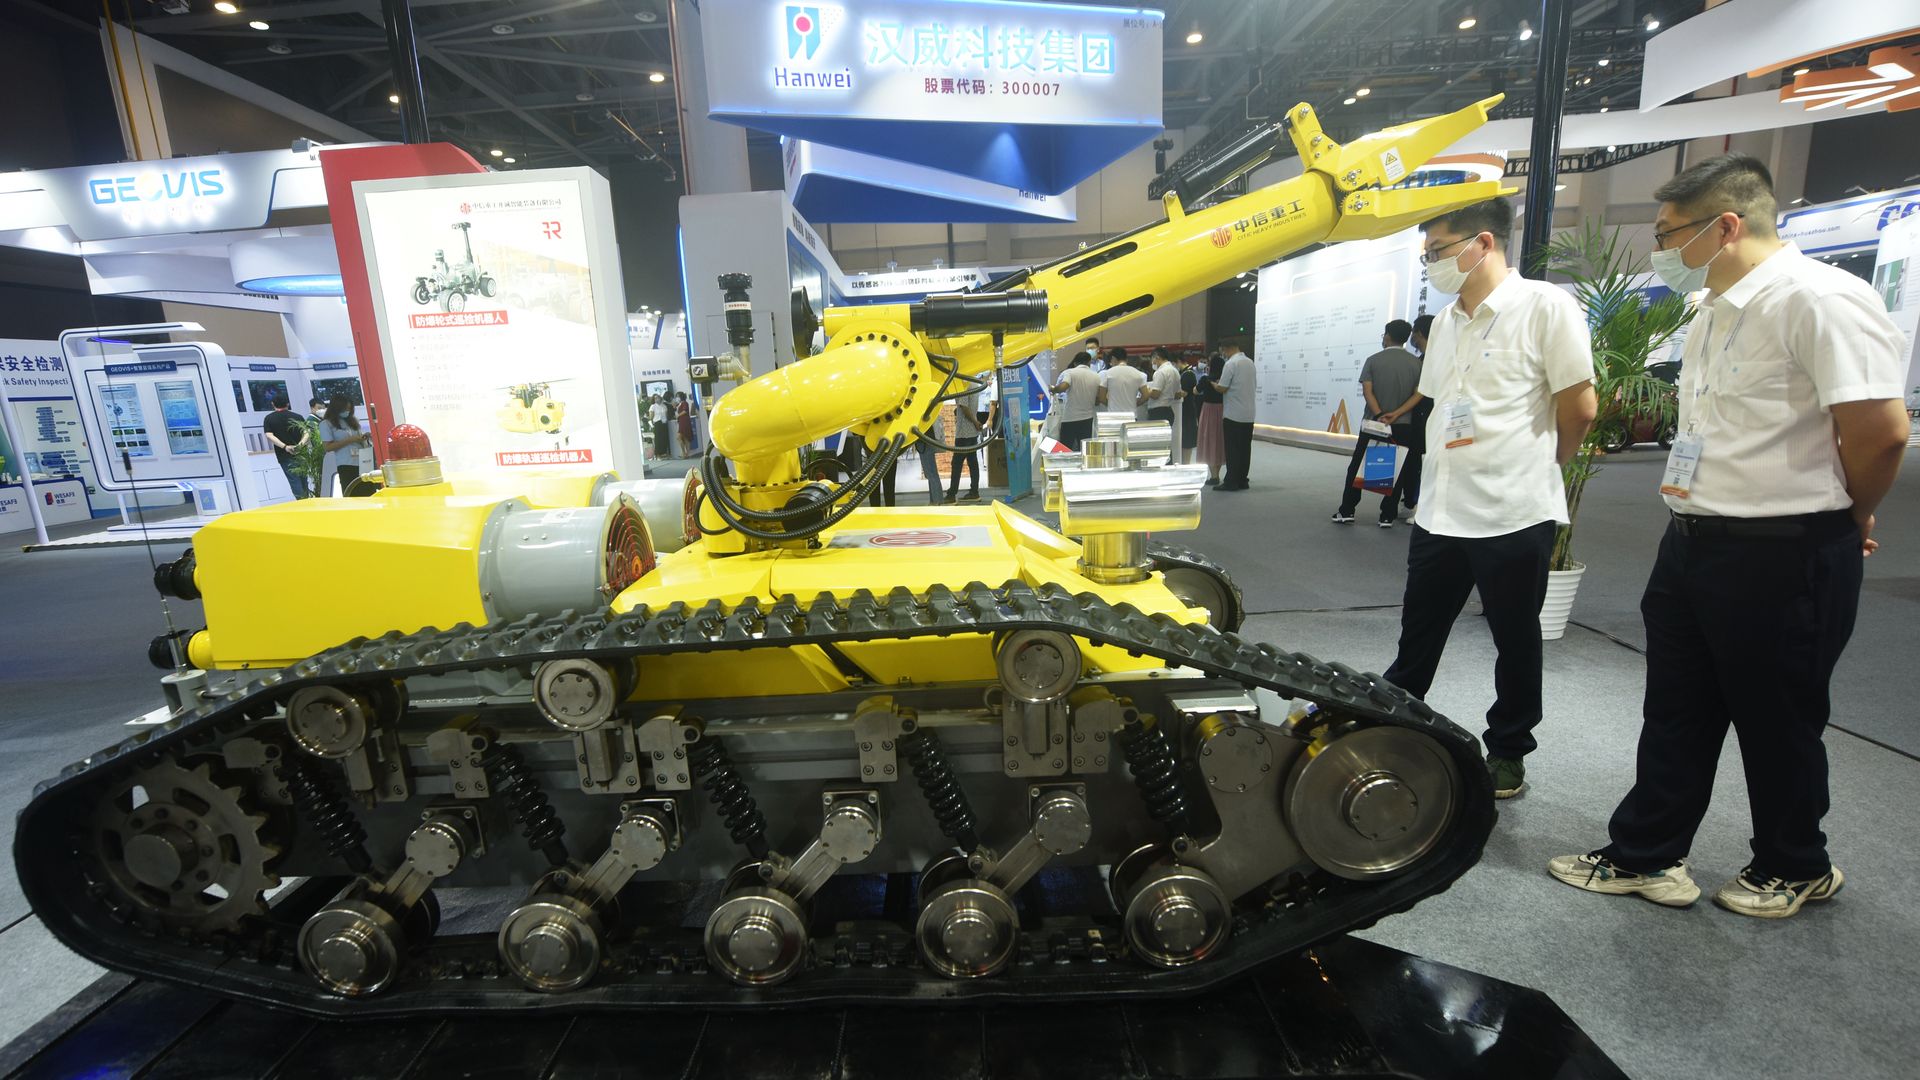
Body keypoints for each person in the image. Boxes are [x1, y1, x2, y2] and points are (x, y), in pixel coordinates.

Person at [1548, 154, 1909, 918]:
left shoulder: (1821, 301)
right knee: (1677, 706)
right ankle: (1647, 852)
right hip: (1694, 538)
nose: (1661, 251)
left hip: (1785, 547)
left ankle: (1795, 863)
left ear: (1727, 226)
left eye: (1669, 233)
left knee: (1777, 717)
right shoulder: (1714, 307)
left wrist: (1847, 519)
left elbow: (1879, 433)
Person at [1381, 196, 1597, 801]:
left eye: (1439, 251)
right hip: (1442, 509)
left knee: (1515, 640)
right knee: (1418, 632)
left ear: (1483, 244)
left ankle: (1507, 750)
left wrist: (1543, 466)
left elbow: (1580, 406)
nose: (1432, 264)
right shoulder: (1446, 323)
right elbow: (1438, 404)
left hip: (1513, 511)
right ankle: (1396, 724)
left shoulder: (1545, 307)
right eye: (1426, 256)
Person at [1333, 320, 1425, 526]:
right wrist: (1396, 414)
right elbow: (1418, 394)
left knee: (1358, 466)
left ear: (1388, 336)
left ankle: (1347, 510)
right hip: (1403, 424)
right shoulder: (1416, 363)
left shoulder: (1373, 360)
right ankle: (1387, 515)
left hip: (1374, 423)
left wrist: (1381, 414)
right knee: (1397, 468)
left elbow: (1368, 391)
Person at [1212, 339, 1257, 491]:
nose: (1223, 354)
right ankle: (1242, 480)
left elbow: (1222, 388)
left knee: (1232, 449)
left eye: (1223, 351)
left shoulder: (1231, 364)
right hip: (1249, 413)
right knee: (1245, 449)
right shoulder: (1250, 362)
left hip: (1233, 414)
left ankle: (1231, 481)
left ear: (1226, 349)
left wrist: (1213, 384)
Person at [320, 397, 373, 497]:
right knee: (353, 494)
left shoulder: (353, 421)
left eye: (349, 409)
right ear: (336, 408)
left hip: (363, 462)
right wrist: (350, 440)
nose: (347, 411)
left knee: (369, 493)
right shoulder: (326, 424)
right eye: (345, 409)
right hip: (346, 464)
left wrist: (364, 437)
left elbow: (358, 437)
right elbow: (327, 447)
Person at [262, 393, 311, 499]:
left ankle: (302, 504)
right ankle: (307, 501)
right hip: (302, 453)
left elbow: (269, 435)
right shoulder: (297, 417)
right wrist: (300, 445)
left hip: (284, 455)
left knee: (294, 480)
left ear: (273, 404)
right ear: (288, 404)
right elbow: (307, 432)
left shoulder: (269, 418)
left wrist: (285, 447)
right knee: (303, 479)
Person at [1051, 352, 1101, 450]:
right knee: (1085, 450)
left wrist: (1053, 389)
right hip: (1088, 419)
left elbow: (1063, 387)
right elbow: (1097, 400)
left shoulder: (1070, 372)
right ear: (1089, 363)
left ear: (1075, 363)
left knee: (1065, 450)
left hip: (1070, 418)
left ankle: (1066, 465)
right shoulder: (1096, 376)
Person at [944, 390, 985, 503]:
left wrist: (975, 422)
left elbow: (964, 407)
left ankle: (951, 495)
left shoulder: (965, 386)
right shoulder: (973, 385)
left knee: (956, 464)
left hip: (964, 433)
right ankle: (974, 492)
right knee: (973, 463)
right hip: (972, 432)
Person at [1143, 346, 1182, 462]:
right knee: (1166, 444)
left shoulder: (1160, 372)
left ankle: (1159, 468)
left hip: (1158, 411)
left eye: (1152, 359)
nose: (1152, 363)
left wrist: (1147, 390)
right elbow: (1178, 394)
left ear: (1157, 357)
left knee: (1157, 444)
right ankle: (1168, 466)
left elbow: (1155, 394)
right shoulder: (1175, 371)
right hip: (1169, 410)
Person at [1196, 354, 1226, 484]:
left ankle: (1213, 476)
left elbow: (1195, 391)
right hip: (1222, 410)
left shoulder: (1205, 379)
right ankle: (1217, 474)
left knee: (1208, 440)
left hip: (1208, 411)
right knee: (1219, 440)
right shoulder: (1225, 380)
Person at [1100, 347, 1148, 420]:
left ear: (1113, 358)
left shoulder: (1107, 374)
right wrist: (1135, 404)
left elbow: (1101, 397)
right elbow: (1145, 396)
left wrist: (1110, 405)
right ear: (1126, 359)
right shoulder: (1138, 374)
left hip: (1114, 416)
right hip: (1132, 416)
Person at [1178, 353, 1201, 464]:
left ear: (1178, 361)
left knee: (1187, 440)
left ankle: (1186, 464)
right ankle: (1184, 463)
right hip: (1186, 410)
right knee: (1184, 439)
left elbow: (1184, 393)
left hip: (1187, 410)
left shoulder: (1188, 374)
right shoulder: (1185, 373)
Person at [675, 392, 699, 457]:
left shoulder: (685, 403)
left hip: (684, 421)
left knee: (680, 437)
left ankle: (684, 453)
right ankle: (686, 454)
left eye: (678, 396)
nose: (677, 398)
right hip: (681, 421)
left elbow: (685, 411)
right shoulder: (679, 404)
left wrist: (678, 415)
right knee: (685, 438)